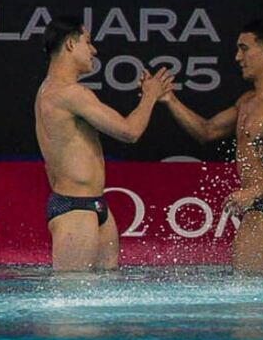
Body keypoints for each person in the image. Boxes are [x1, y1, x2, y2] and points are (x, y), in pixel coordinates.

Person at [160, 18, 263, 273]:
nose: (238, 57)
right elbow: (207, 131)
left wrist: (252, 192)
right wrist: (169, 99)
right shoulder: (248, 100)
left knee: (247, 299)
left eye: (244, 48)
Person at [35, 17, 173, 270]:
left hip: (95, 205)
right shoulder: (69, 94)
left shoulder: (49, 89)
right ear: (69, 45)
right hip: (74, 208)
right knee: (71, 304)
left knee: (104, 300)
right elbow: (130, 132)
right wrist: (151, 96)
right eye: (88, 42)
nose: (94, 50)